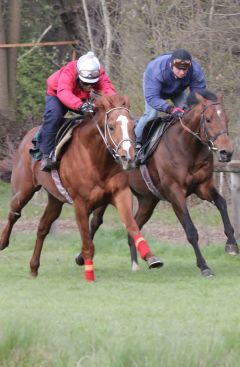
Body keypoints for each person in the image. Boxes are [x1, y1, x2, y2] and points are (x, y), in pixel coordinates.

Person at [39, 51, 116, 171]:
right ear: (78, 76)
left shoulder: (99, 71)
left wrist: (114, 105)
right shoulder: (69, 70)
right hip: (57, 94)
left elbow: (108, 89)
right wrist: (80, 105)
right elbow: (64, 91)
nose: (90, 86)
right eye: (86, 83)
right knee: (55, 116)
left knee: (98, 115)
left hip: (82, 96)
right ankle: (46, 154)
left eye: (93, 83)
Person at [135, 48, 206, 148]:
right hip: (155, 90)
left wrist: (192, 107)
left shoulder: (195, 70)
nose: (182, 72)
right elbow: (152, 97)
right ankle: (135, 141)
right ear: (171, 65)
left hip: (176, 90)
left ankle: (186, 141)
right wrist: (170, 109)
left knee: (188, 113)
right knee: (151, 115)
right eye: (179, 69)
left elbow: (198, 95)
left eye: (185, 69)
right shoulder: (156, 69)